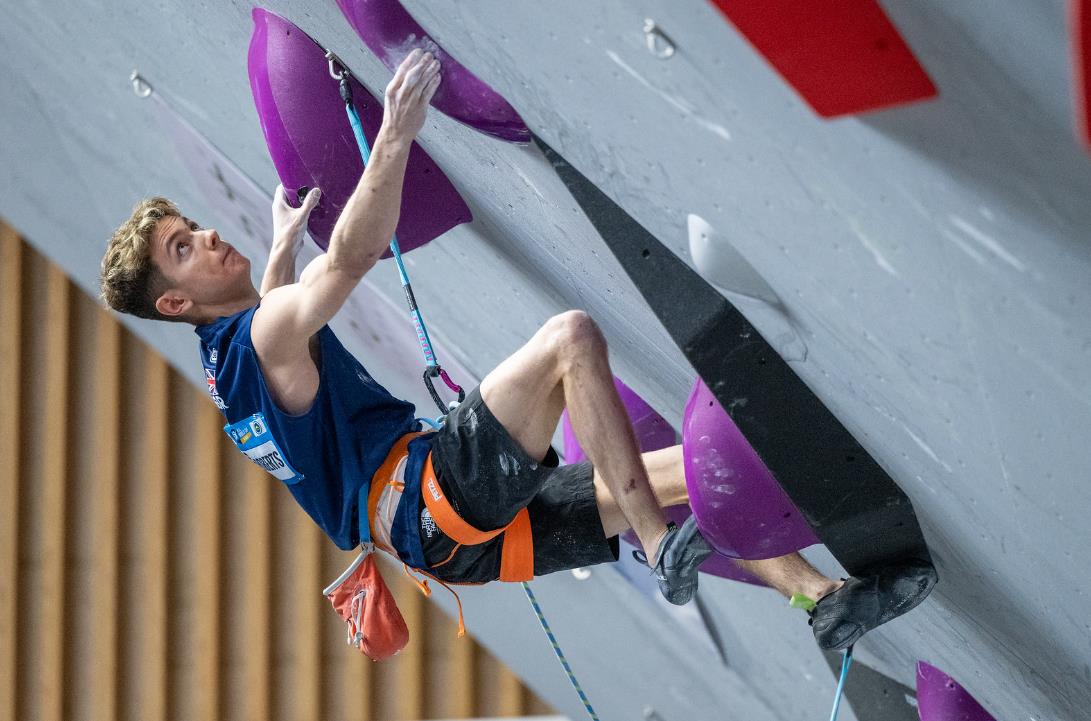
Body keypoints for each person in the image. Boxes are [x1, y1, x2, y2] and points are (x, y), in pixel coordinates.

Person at [99, 50, 934, 650]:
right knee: (570, 340)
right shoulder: (261, 334)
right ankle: (655, 546)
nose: (208, 236)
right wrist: (394, 135)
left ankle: (823, 600)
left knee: (677, 477)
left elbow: (275, 319)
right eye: (183, 247)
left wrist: (280, 245)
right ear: (175, 302)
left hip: (448, 542)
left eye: (191, 225)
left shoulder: (226, 368)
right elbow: (349, 260)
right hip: (432, 498)